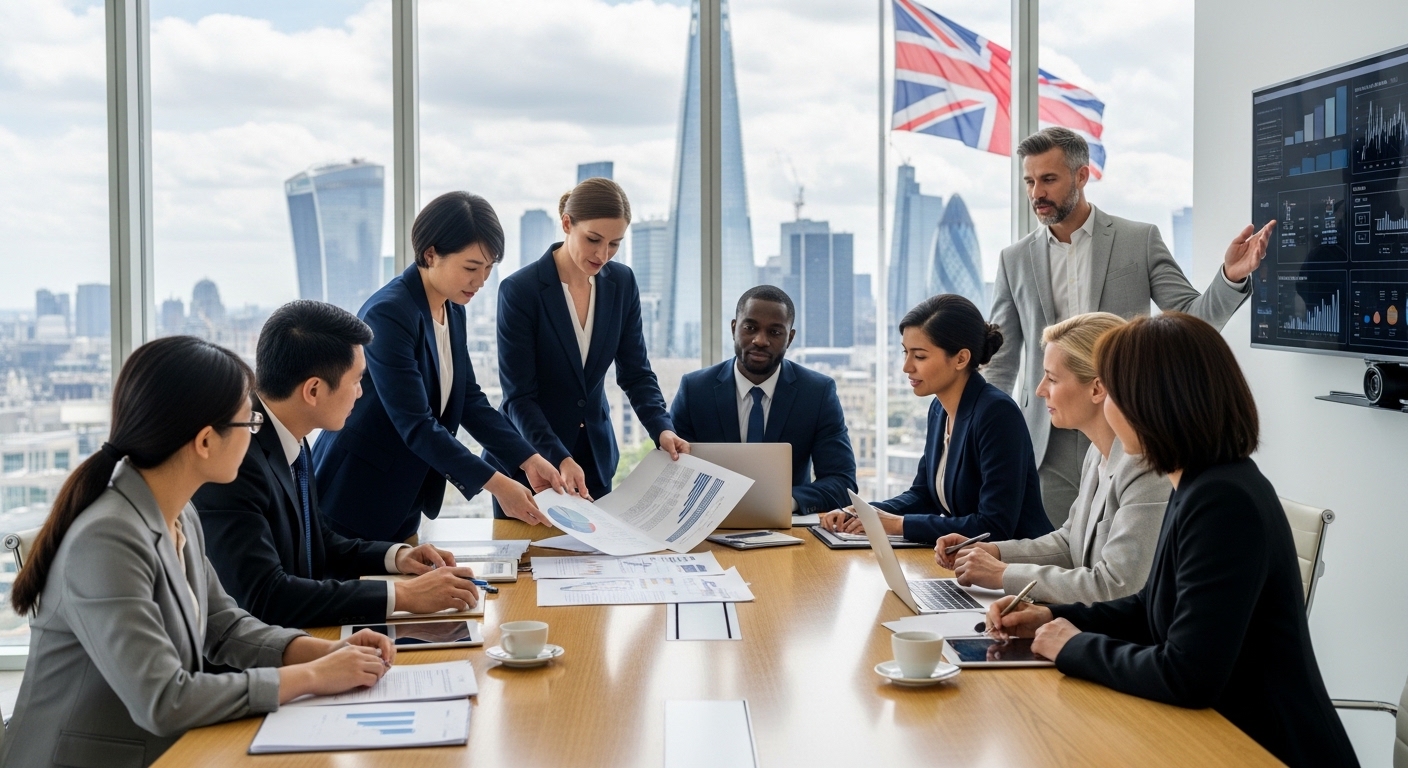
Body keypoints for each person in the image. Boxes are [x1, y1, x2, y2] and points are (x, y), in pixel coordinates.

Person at [0, 337, 395, 768]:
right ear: (206, 441)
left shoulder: (180, 513)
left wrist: (324, 652)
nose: (254, 438)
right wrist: (311, 677)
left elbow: (224, 627)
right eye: (250, 426)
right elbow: (164, 699)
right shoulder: (106, 540)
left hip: (170, 750)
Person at [986, 312, 1357, 768]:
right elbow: (1149, 607)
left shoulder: (1221, 500)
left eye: (1114, 394)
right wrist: (1052, 615)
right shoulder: (1200, 482)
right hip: (1215, 735)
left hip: (1261, 748)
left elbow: (1188, 674)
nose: (1107, 407)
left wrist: (1073, 646)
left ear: (1151, 402)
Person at [986, 126, 1276, 526]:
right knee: (1051, 553)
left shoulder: (1138, 240)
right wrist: (991, 434)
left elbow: (1192, 319)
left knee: (1127, 557)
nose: (1037, 192)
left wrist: (1229, 276)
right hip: (1044, 440)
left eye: (1049, 179)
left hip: (1125, 425)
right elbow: (1000, 363)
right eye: (1030, 181)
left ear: (1082, 176)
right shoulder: (1013, 259)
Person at [195, 301, 482, 629]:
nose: (361, 394)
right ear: (313, 390)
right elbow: (266, 597)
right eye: (357, 380)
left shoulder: (291, 437)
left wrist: (397, 556)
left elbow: (319, 541)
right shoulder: (236, 462)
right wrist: (401, 597)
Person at [314, 191, 566, 544]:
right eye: (471, 268)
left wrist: (527, 458)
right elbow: (415, 423)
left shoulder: (452, 309)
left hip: (403, 497)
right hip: (356, 494)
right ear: (430, 254)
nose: (480, 281)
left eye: (489, 268)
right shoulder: (389, 313)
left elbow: (470, 400)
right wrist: (496, 483)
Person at [935, 312, 1170, 605]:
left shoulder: (1147, 468)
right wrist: (991, 552)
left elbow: (1117, 586)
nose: (1040, 390)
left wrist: (1003, 574)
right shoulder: (1098, 452)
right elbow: (1068, 542)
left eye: (1052, 378)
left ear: (1097, 388)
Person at [490, 177, 686, 504]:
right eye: (593, 239)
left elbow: (636, 373)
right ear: (567, 224)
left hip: (594, 462)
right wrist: (560, 458)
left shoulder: (621, 284)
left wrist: (662, 429)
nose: (603, 254)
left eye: (615, 244)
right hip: (531, 464)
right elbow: (519, 398)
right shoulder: (520, 291)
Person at [821, 294, 1052, 544]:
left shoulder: (996, 414)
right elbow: (924, 496)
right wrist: (864, 512)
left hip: (1021, 567)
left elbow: (993, 526)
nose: (906, 366)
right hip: (970, 563)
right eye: (905, 353)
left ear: (961, 359)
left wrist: (898, 525)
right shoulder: (939, 409)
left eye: (919, 356)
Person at [669, 286, 857, 515]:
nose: (760, 340)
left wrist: (786, 502)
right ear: (733, 328)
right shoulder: (695, 390)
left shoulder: (817, 393)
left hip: (789, 528)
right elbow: (672, 472)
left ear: (790, 338)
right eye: (750, 328)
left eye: (775, 332)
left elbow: (842, 482)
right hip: (708, 525)